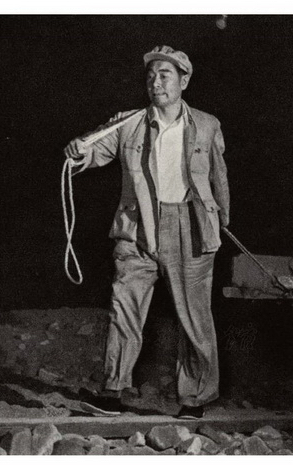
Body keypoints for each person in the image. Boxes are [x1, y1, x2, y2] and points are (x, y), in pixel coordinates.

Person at [64, 45, 229, 419]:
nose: (156, 83)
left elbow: (219, 177)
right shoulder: (128, 123)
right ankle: (113, 390)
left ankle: (194, 398)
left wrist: (220, 221)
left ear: (184, 81)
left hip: (191, 227)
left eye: (165, 75)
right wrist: (79, 153)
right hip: (138, 226)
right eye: (151, 76)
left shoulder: (207, 125)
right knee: (125, 306)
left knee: (194, 317)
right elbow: (95, 149)